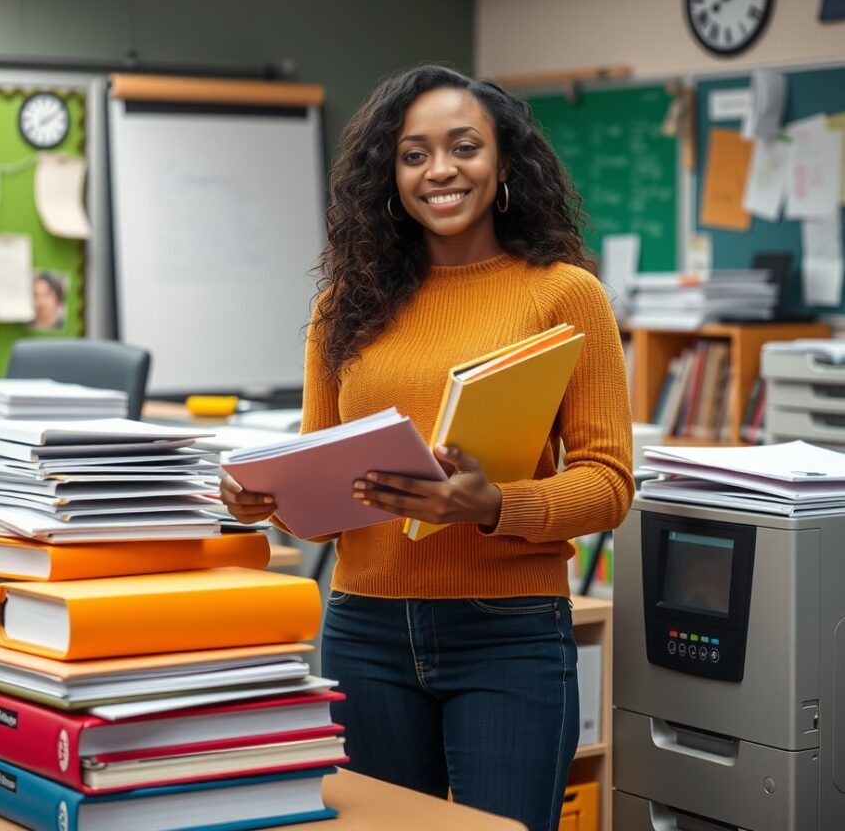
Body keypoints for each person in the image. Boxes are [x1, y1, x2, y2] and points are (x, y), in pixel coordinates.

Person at [220, 64, 634, 831]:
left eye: (464, 147)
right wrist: (271, 502)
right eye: (414, 154)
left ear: (505, 162)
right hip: (364, 628)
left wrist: (493, 504)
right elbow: (323, 504)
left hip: (508, 632)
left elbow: (609, 484)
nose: (440, 170)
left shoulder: (566, 293)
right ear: (389, 172)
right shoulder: (343, 307)